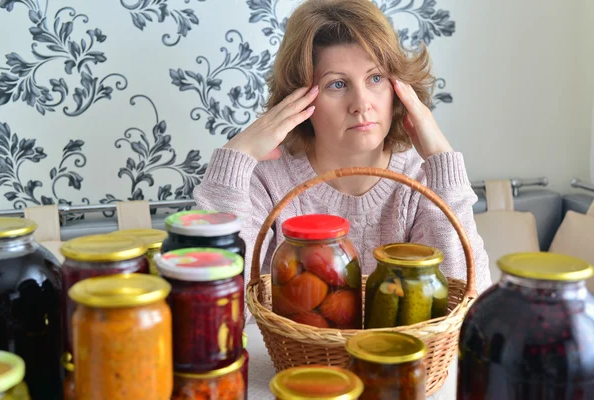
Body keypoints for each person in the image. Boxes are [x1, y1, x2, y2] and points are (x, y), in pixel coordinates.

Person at [193, 0, 491, 296]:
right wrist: (236, 156)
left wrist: (443, 161)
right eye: (337, 84)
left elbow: (462, 306)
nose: (362, 104)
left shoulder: (423, 181)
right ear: (299, 97)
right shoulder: (265, 181)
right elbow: (219, 307)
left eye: (375, 78)